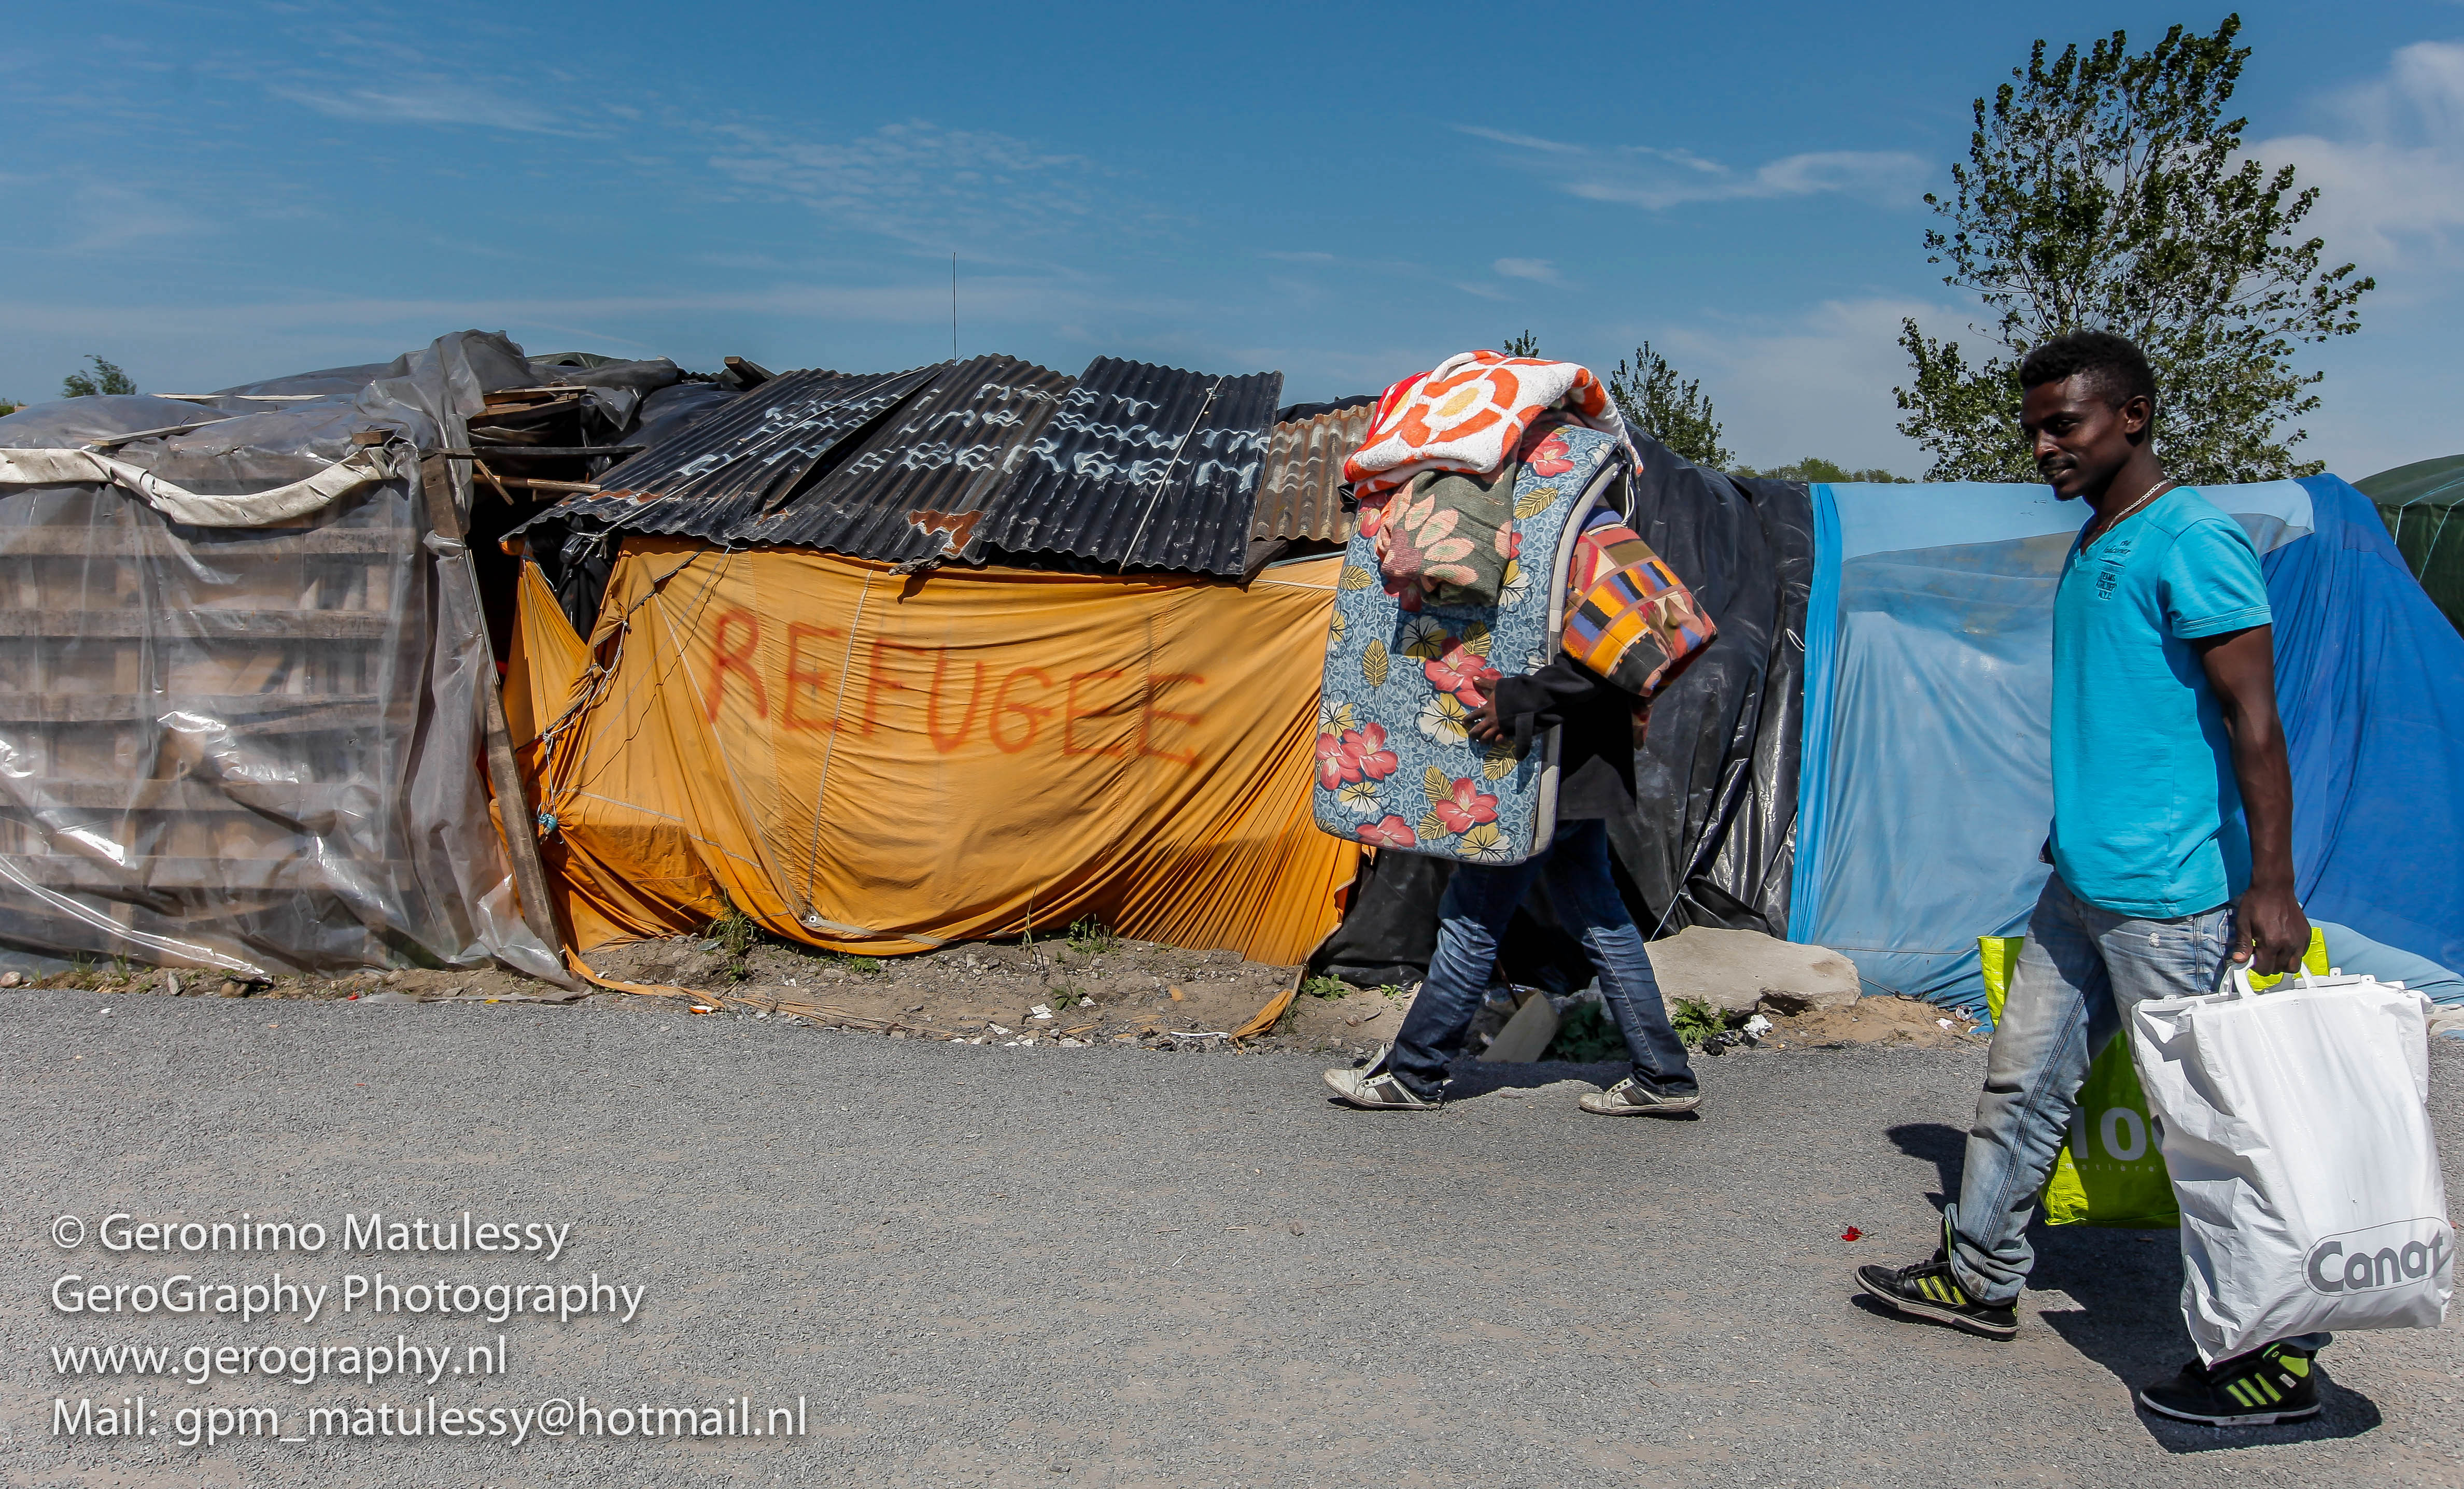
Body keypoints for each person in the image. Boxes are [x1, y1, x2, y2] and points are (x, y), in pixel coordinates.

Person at [1853, 331, 2324, 1427]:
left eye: (2063, 422)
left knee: (2207, 1134)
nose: (2042, 445)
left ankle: (2284, 1352)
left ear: (2135, 416)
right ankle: (1979, 1271)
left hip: (2169, 902)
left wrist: (2273, 882)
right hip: (2082, 884)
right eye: (2032, 427)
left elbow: (2255, 719)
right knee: (2022, 1081)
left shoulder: (2193, 537)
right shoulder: (2096, 536)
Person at [1323, 504, 1710, 1117]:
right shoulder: (1577, 530)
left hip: (1551, 771)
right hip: (1571, 773)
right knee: (1600, 919)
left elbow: (1629, 658)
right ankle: (1663, 1073)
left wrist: (1522, 696)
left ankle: (1415, 1072)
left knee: (1474, 913)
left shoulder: (1590, 540)